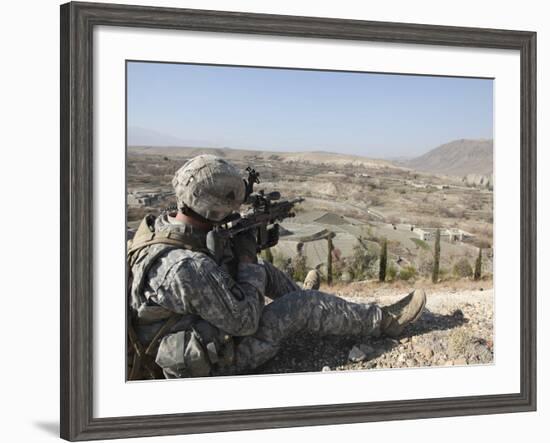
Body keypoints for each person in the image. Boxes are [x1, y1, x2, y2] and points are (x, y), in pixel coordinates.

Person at [127, 154, 426, 379]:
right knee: (300, 304)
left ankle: (316, 310)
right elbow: (244, 322)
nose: (235, 213)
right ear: (213, 208)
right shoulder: (185, 268)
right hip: (211, 362)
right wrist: (246, 259)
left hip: (193, 328)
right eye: (231, 208)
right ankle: (386, 321)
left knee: (267, 274)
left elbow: (207, 274)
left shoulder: (161, 229)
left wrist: (238, 252)